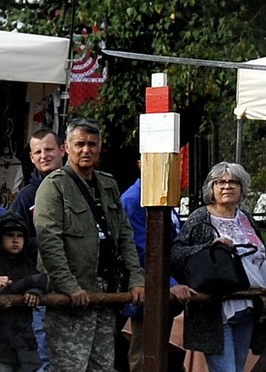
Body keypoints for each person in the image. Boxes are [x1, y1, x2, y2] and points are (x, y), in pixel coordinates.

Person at [33, 118, 145, 371]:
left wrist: (137, 279)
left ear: (99, 147)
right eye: (80, 144)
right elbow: (49, 242)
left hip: (106, 290)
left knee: (103, 366)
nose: (86, 150)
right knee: (70, 367)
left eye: (92, 144)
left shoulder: (108, 184)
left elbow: (125, 236)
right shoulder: (54, 186)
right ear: (66, 148)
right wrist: (69, 287)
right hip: (70, 295)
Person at [172, 162, 266, 372]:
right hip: (216, 309)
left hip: (248, 306)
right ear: (212, 187)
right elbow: (176, 252)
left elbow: (263, 256)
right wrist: (210, 247)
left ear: (242, 188)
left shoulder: (245, 217)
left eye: (233, 182)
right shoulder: (201, 216)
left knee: (237, 367)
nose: (227, 186)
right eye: (220, 182)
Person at [121, 162, 193, 372]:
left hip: (168, 293)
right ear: (141, 163)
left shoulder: (164, 195)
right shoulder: (134, 199)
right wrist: (169, 283)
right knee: (144, 358)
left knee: (163, 357)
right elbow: (140, 250)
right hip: (146, 289)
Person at [9, 128, 65, 372]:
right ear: (31, 158)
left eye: (49, 149)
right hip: (39, 291)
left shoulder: (79, 189)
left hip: (82, 287)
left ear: (63, 150)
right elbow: (12, 245)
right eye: (38, 151)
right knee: (44, 360)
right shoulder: (25, 199)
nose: (44, 155)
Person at [0, 212, 47, 372]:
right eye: (10, 235)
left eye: (20, 236)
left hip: (24, 341)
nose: (15, 240)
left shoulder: (27, 263)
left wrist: (34, 290)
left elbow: (41, 280)